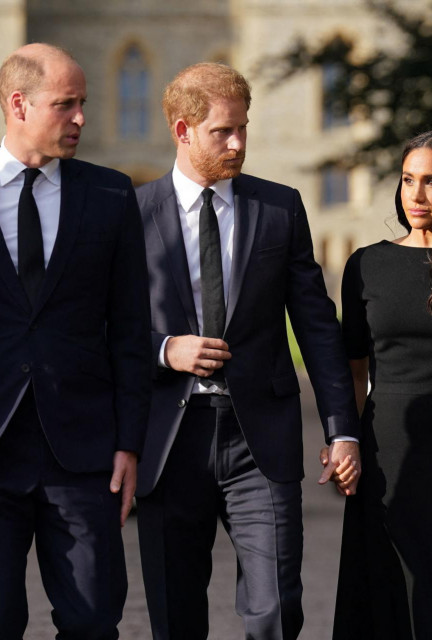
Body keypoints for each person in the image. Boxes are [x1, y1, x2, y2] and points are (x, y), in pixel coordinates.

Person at [0, 43, 151, 639]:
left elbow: (129, 329)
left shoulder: (112, 194)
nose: (81, 119)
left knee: (93, 620)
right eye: (65, 104)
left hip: (84, 452)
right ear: (18, 104)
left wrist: (129, 442)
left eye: (83, 104)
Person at [134, 62, 361, 640]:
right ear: (183, 131)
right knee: (174, 615)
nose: (237, 144)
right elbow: (99, 328)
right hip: (169, 441)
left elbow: (316, 325)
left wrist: (342, 428)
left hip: (260, 442)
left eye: (243, 129)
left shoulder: (279, 209)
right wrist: (164, 350)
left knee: (277, 612)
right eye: (222, 132)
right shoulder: (130, 216)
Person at [329, 132, 432, 639]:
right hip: (387, 445)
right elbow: (352, 368)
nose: (418, 195)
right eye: (409, 179)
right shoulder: (367, 264)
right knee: (388, 584)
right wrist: (343, 441)